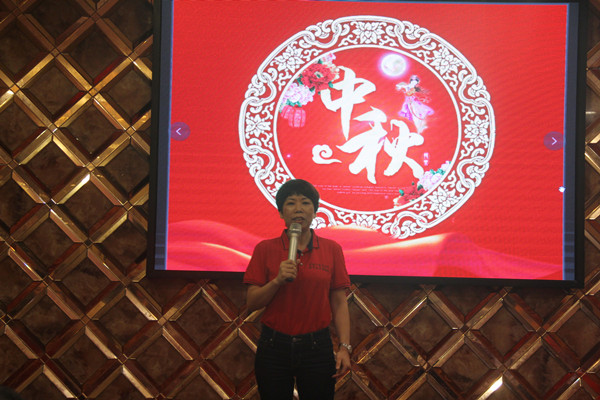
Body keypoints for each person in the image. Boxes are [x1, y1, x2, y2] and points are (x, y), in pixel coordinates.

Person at [244, 179, 351, 400]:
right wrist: (277, 281)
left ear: (315, 211)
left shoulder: (331, 249)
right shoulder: (265, 249)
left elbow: (339, 302)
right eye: (291, 203)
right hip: (274, 346)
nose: (299, 209)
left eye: (305, 203)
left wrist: (344, 347)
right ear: (281, 213)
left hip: (317, 346)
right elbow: (252, 302)